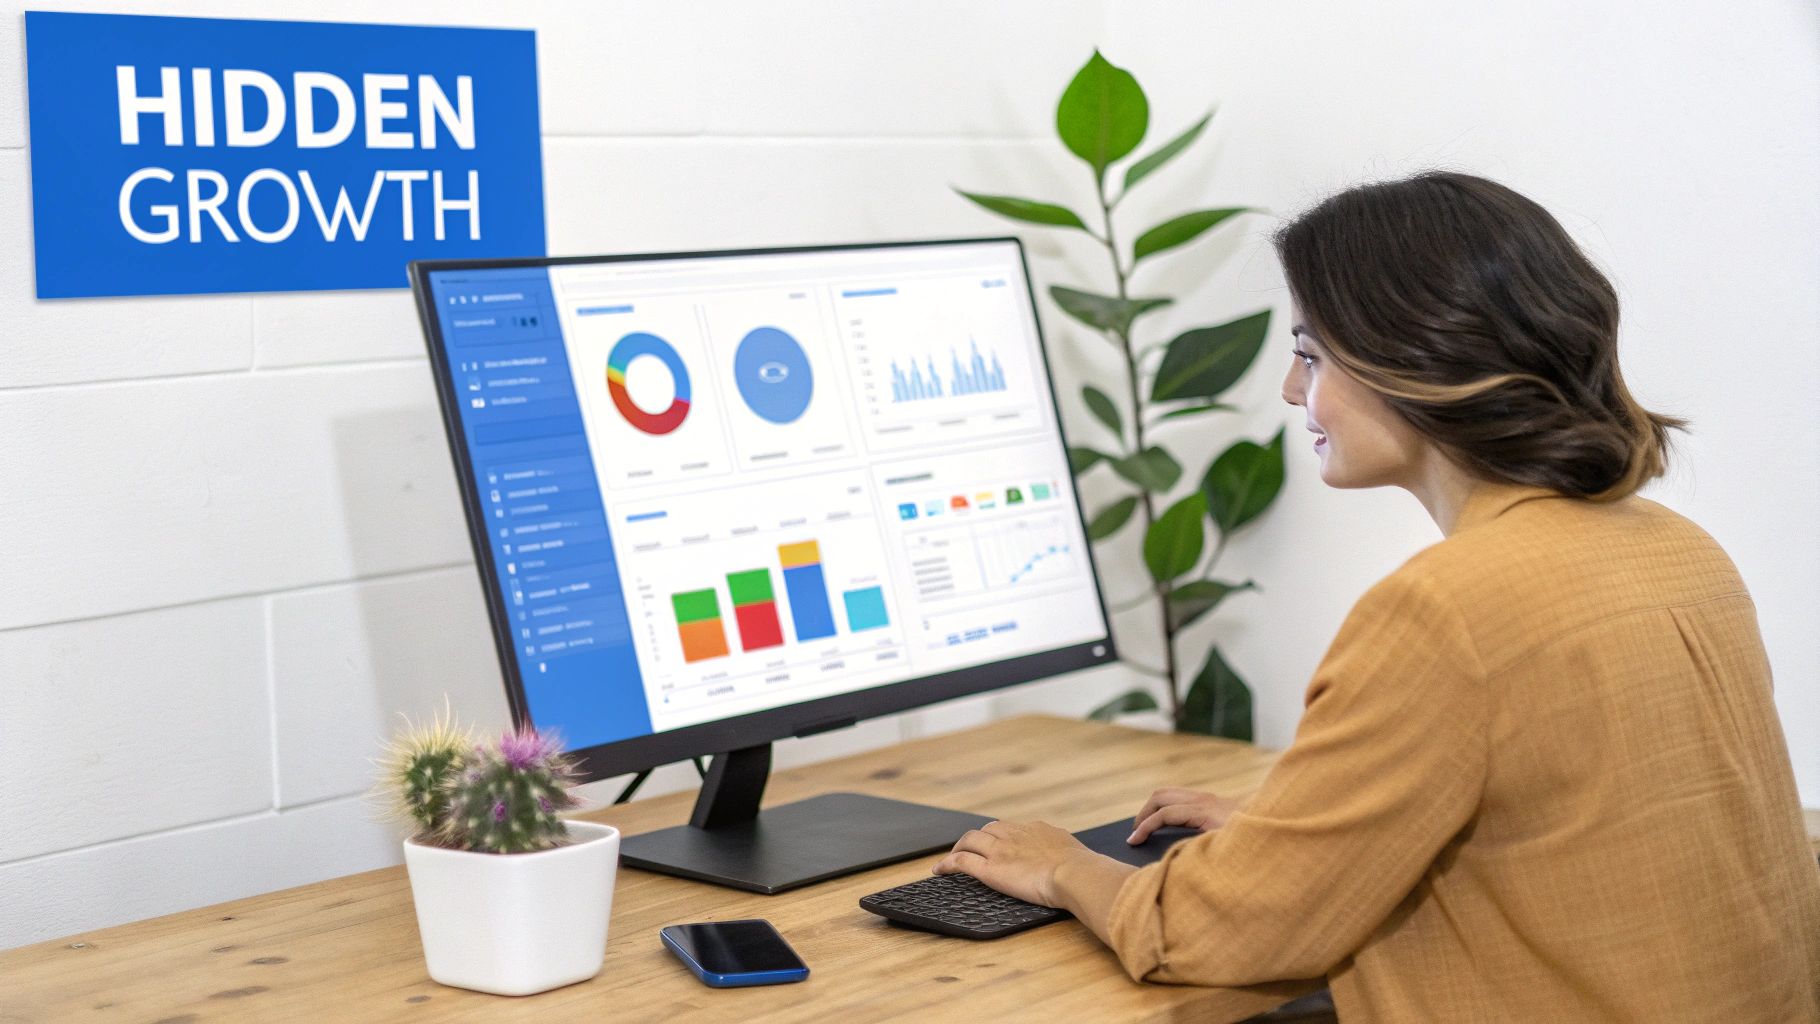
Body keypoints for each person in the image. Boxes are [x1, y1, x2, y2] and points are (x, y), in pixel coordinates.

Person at [934, 171, 1820, 1021]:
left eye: (1309, 355)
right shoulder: (1678, 552)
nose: (1291, 390)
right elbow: (1571, 825)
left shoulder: (1450, 608)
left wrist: (1060, 868)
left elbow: (1214, 932)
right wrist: (1292, 833)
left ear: (1416, 362)